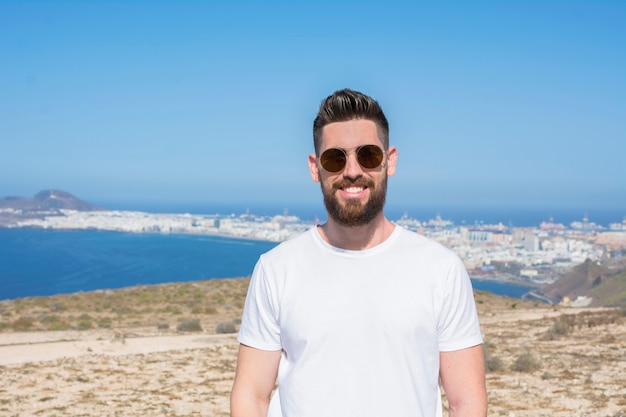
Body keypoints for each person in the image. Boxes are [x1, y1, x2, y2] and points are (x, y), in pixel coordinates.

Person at [230, 88, 487, 417]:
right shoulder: (276, 269)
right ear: (315, 167)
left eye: (368, 155)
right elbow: (251, 395)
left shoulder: (441, 270)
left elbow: (467, 402)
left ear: (389, 161)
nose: (352, 171)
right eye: (335, 158)